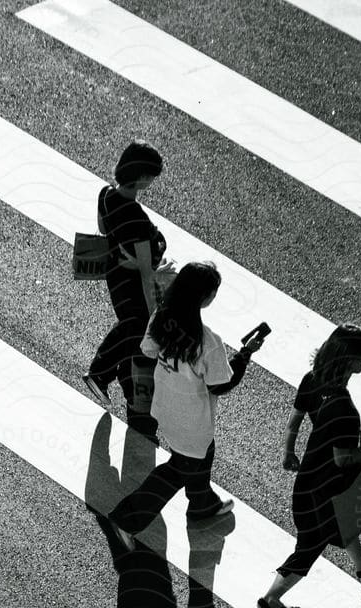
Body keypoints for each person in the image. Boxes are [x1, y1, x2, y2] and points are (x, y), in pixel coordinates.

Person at [254, 324, 361, 608]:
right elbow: (345, 458)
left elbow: (294, 421)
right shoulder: (345, 411)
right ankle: (270, 601)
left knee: (341, 520)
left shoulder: (311, 380)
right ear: (353, 361)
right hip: (326, 488)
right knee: (310, 546)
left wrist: (288, 452)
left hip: (309, 480)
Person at [105, 262, 257, 546]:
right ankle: (127, 519)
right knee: (176, 471)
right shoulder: (209, 342)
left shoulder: (161, 319)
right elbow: (221, 385)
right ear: (204, 297)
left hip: (165, 409)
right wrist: (243, 357)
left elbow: (148, 350)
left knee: (196, 462)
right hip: (194, 424)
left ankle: (203, 505)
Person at [83, 141, 166, 436]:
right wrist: (154, 310)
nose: (153, 181)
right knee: (139, 328)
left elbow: (104, 230)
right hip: (132, 282)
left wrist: (124, 252)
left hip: (115, 276)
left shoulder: (105, 195)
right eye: (152, 176)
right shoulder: (137, 218)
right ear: (142, 177)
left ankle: (115, 378)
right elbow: (146, 273)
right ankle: (101, 372)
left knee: (133, 332)